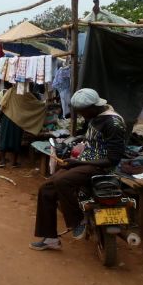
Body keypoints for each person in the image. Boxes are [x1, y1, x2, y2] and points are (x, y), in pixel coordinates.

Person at [30, 88, 126, 251]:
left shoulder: (113, 123)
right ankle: (51, 238)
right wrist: (76, 157)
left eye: (83, 112)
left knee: (62, 180)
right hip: (85, 163)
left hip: (101, 167)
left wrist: (76, 164)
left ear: (93, 107)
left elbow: (112, 159)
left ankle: (77, 221)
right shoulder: (96, 117)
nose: (82, 115)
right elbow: (92, 142)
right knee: (46, 189)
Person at [0, 87, 22, 168]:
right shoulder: (23, 94)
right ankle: (14, 162)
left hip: (7, 117)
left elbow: (1, 104)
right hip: (17, 119)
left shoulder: (9, 92)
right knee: (16, 139)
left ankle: (2, 161)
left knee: (4, 138)